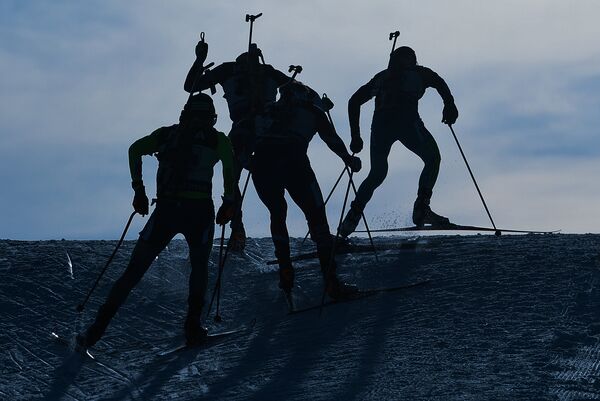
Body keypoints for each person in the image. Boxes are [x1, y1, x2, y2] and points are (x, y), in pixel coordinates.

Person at [76, 94, 236, 349]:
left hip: (166, 209)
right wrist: (229, 203)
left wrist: (138, 189)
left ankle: (95, 331)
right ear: (212, 116)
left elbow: (134, 150)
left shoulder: (166, 135)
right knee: (199, 267)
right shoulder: (218, 140)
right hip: (199, 210)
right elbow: (230, 169)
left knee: (134, 271)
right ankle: (193, 326)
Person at [252, 80, 361, 301]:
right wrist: (348, 159)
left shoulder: (265, 109)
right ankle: (331, 282)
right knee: (317, 217)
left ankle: (286, 269)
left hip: (262, 164)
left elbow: (247, 135)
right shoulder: (312, 111)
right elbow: (331, 139)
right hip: (294, 161)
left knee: (277, 213)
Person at [338, 46, 459, 237]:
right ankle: (421, 208)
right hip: (407, 123)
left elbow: (354, 101)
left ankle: (352, 217)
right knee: (432, 158)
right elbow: (439, 82)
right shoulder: (418, 73)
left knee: (377, 173)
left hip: (381, 126)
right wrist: (449, 104)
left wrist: (355, 135)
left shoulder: (384, 76)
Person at [185, 41, 291, 251]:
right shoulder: (268, 72)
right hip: (268, 133)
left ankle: (237, 226)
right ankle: (268, 232)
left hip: (242, 129)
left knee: (232, 176)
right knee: (271, 185)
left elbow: (191, 86)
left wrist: (199, 59)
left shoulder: (228, 70)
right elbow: (296, 91)